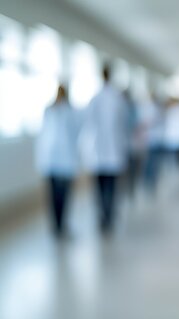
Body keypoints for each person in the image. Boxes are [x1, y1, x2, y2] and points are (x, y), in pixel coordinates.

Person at [81, 65, 128, 235]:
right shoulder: (118, 99)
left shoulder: (95, 99)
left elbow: (88, 126)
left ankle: (103, 215)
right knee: (111, 186)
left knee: (100, 188)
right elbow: (124, 125)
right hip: (113, 151)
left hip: (99, 152)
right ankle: (108, 215)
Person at [36, 85, 80, 238]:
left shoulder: (60, 111)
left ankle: (59, 225)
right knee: (58, 195)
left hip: (57, 160)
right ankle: (58, 225)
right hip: (56, 160)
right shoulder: (55, 111)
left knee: (58, 195)